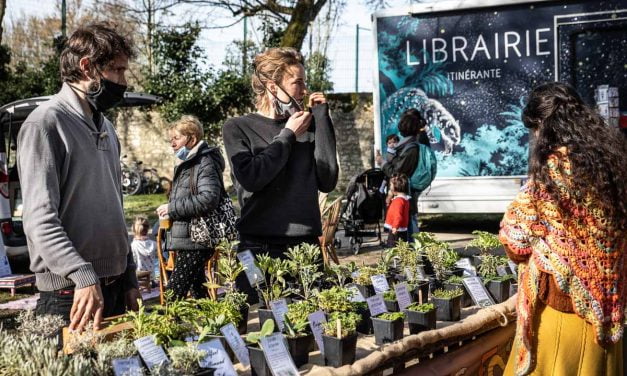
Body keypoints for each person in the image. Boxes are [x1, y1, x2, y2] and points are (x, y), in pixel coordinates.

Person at [17, 22, 140, 332]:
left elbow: (115, 208)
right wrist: (81, 274)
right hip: (69, 294)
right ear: (87, 67)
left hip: (112, 288)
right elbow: (40, 220)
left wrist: (128, 275)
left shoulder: (107, 128)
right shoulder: (44, 125)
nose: (123, 81)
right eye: (116, 70)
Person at [499, 82, 626, 376]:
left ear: (545, 125)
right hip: (609, 315)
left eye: (535, 129)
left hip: (561, 315)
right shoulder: (612, 168)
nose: (535, 137)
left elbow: (515, 240)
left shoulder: (553, 173)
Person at [222, 47, 338, 304]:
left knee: (312, 326)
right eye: (297, 82)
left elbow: (327, 179)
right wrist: (287, 135)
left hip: (304, 246)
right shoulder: (237, 127)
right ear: (273, 87)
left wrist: (322, 120)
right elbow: (252, 177)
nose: (305, 90)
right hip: (256, 247)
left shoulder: (308, 126)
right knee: (258, 324)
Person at [156, 115, 226, 300]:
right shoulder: (189, 163)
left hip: (197, 239)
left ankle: (168, 327)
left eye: (176, 138)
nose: (172, 144)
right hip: (190, 238)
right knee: (199, 293)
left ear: (192, 138)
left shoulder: (204, 162)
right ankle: (211, 327)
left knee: (174, 293)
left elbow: (208, 199)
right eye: (171, 139)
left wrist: (172, 208)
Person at [376, 108, 431, 235]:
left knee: (409, 220)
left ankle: (414, 250)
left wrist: (382, 163)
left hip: (407, 189)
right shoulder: (414, 142)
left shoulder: (411, 147)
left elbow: (396, 171)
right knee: (409, 218)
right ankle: (411, 249)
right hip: (410, 188)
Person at [384, 174, 410, 247]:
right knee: (402, 246)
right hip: (401, 229)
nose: (390, 187)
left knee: (393, 246)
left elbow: (398, 215)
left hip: (396, 229)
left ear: (396, 187)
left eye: (390, 185)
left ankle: (395, 258)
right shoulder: (404, 199)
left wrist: (395, 227)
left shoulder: (398, 201)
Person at [131, 216, 158, 281]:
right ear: (147, 229)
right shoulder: (154, 244)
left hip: (139, 276)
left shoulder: (133, 245)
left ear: (134, 230)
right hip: (151, 276)